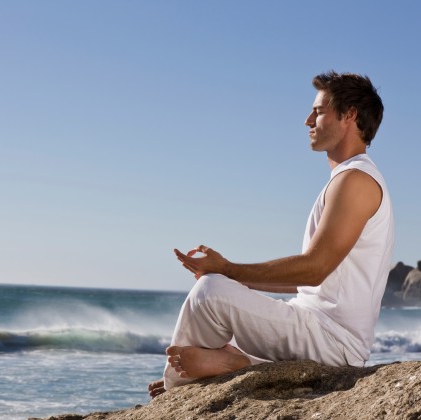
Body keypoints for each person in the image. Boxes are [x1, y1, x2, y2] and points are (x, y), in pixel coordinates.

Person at [148, 71, 394, 398]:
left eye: (318, 111)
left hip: (333, 340)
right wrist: (236, 278)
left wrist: (226, 270)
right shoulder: (348, 179)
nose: (308, 120)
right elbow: (310, 279)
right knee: (218, 290)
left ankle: (178, 392)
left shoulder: (356, 181)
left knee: (209, 293)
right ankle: (231, 363)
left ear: (349, 115)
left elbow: (314, 268)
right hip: (316, 328)